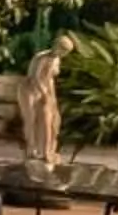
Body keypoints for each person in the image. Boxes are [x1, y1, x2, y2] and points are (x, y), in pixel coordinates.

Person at [20, 33, 76, 166]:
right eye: (64, 50)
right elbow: (36, 77)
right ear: (58, 47)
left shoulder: (56, 60)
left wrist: (52, 97)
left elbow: (49, 79)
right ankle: (31, 148)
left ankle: (46, 150)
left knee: (50, 119)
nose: (65, 54)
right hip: (30, 90)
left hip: (44, 89)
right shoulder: (42, 58)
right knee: (31, 120)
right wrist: (45, 94)